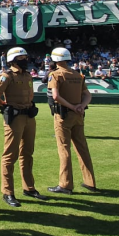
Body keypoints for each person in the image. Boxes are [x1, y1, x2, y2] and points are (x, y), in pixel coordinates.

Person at [0, 47, 45, 207]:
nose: (25, 60)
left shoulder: (28, 75)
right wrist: (5, 104)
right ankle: (7, 192)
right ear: (13, 60)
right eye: (22, 57)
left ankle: (29, 188)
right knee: (10, 155)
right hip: (14, 117)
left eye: (25, 57)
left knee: (28, 153)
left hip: (29, 116)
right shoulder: (6, 76)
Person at [46, 47, 98, 194]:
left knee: (64, 149)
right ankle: (90, 182)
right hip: (78, 116)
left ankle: (65, 184)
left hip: (63, 116)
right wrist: (81, 106)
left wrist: (72, 107)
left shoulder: (55, 75)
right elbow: (87, 95)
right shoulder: (77, 75)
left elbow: (55, 96)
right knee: (82, 148)